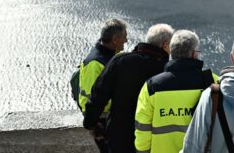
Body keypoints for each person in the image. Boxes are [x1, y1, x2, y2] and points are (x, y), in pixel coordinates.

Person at [83, 23, 174, 153]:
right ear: (165, 45)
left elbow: (99, 94)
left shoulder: (119, 61)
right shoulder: (167, 70)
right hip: (152, 139)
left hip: (119, 138)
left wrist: (90, 122)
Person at [135, 30, 217, 153]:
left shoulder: (152, 86)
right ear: (194, 54)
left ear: (171, 52)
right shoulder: (213, 82)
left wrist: (142, 151)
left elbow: (143, 127)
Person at [79, 18, 128, 153]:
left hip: (108, 118)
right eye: (125, 37)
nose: (126, 40)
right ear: (115, 39)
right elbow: (93, 97)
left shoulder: (112, 55)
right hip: (100, 120)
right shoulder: (95, 63)